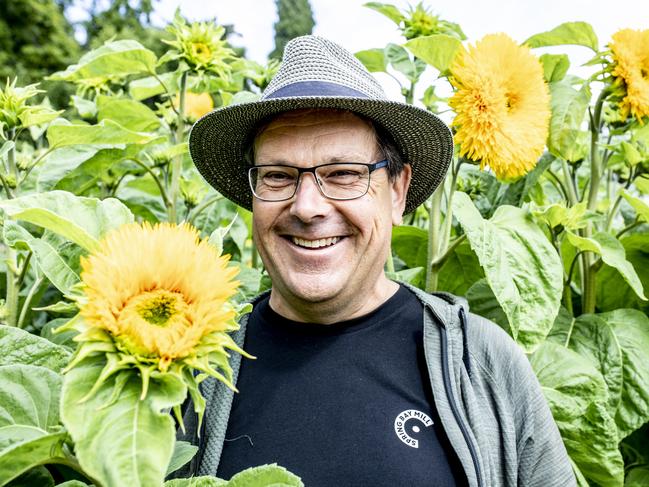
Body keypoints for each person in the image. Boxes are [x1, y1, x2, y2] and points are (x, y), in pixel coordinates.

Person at [177, 35, 576, 486]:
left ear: (398, 191)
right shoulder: (192, 366)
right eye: (277, 176)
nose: (307, 207)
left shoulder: (479, 362)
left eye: (344, 174)